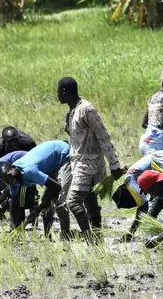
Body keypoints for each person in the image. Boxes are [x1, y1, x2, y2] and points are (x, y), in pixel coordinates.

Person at [57, 77, 123, 243]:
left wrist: (114, 164)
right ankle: (98, 238)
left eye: (58, 91)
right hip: (78, 162)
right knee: (90, 201)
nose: (57, 95)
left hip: (89, 163)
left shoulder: (86, 110)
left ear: (65, 92)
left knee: (73, 202)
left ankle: (90, 239)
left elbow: (103, 136)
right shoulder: (71, 112)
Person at [0, 140, 72, 237]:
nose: (10, 181)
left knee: (59, 201)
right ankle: (48, 237)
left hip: (62, 154)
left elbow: (56, 187)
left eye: (9, 176)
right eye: (6, 180)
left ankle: (66, 236)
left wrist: (37, 210)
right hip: (51, 164)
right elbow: (15, 205)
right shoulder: (11, 180)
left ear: (13, 167)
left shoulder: (28, 170)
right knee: (46, 204)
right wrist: (14, 228)